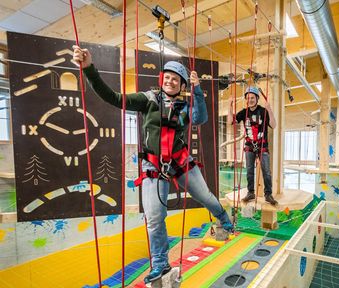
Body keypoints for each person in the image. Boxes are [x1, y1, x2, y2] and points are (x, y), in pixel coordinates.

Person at [72, 45, 234, 284]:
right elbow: (114, 98)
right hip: (154, 168)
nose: (170, 81)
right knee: (155, 218)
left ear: (181, 86)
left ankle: (224, 219)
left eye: (175, 80)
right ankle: (160, 263)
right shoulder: (147, 100)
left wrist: (197, 88)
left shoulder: (185, 107)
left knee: (206, 198)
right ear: (161, 80)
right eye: (167, 78)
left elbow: (201, 118)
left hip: (181, 164)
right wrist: (89, 70)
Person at [227, 86, 278, 206]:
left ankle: (268, 194)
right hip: (249, 145)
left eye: (252, 97)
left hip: (262, 145)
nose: (250, 100)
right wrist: (229, 105)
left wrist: (269, 109)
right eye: (248, 98)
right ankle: (251, 192)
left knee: (266, 171)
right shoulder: (244, 112)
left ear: (257, 98)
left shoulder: (263, 111)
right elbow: (230, 122)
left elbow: (274, 125)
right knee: (249, 170)